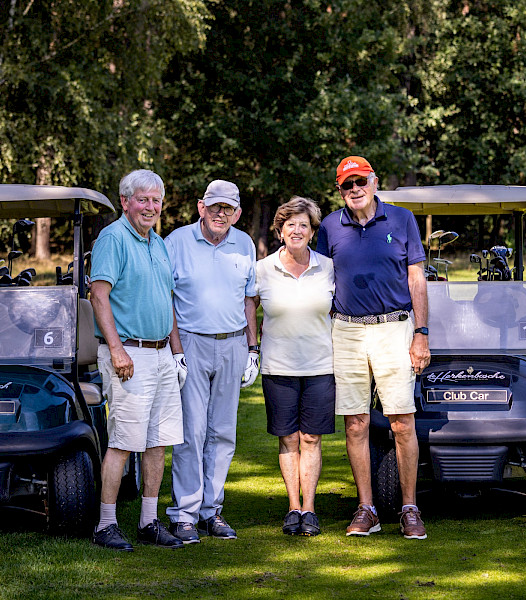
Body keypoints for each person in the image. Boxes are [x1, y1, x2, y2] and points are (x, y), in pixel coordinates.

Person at [315, 156, 431, 540]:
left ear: (374, 182)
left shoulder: (402, 220)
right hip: (346, 330)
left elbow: (416, 278)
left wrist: (421, 332)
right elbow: (319, 281)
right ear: (340, 189)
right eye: (347, 184)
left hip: (394, 328)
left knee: (402, 421)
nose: (355, 189)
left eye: (360, 181)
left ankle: (410, 508)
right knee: (355, 422)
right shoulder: (330, 226)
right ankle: (367, 508)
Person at [88, 169, 187, 552]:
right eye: (142, 199)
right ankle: (106, 524)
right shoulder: (113, 238)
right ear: (126, 201)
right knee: (125, 441)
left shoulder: (158, 242)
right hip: (129, 354)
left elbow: (167, 302)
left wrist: (177, 353)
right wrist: (115, 350)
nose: (150, 207)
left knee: (158, 442)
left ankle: (149, 521)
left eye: (156, 200)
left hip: (161, 353)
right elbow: (99, 295)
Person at [164, 179, 259, 544]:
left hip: (233, 343)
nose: (222, 214)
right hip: (191, 343)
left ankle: (211, 511)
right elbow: (167, 299)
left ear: (236, 212)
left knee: (222, 433)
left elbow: (250, 299)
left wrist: (253, 348)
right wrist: (176, 350)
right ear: (201, 207)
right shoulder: (177, 241)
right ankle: (184, 514)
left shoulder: (244, 243)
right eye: (216, 206)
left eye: (229, 208)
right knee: (191, 433)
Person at [252, 197, 335, 537]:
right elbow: (248, 305)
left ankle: (311, 509)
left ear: (313, 231)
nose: (297, 230)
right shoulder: (263, 269)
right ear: (280, 230)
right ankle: (293, 508)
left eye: (304, 224)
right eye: (291, 225)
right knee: (288, 439)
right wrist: (251, 346)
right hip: (278, 366)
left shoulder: (328, 267)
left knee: (311, 438)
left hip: (320, 365)